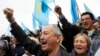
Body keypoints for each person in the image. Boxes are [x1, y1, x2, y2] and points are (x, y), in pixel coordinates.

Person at [3, 8, 70, 56]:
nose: (41, 37)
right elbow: (25, 39)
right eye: (41, 34)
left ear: (57, 38)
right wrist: (11, 20)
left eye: (45, 33)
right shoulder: (40, 52)